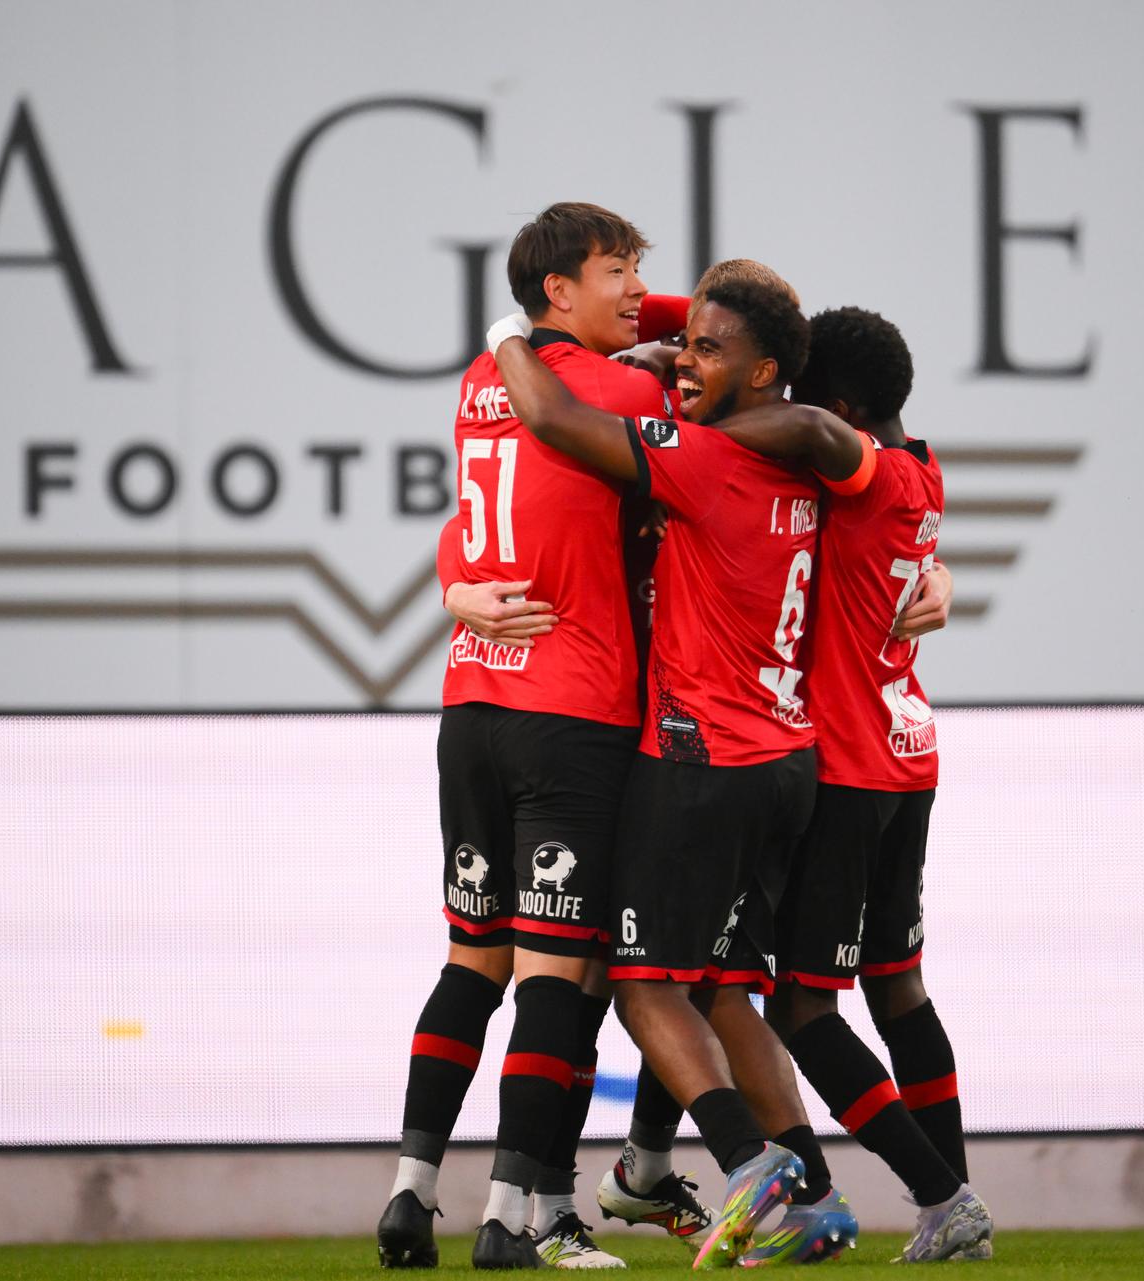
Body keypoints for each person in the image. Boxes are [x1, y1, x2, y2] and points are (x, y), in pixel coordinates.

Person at [488, 273, 874, 1267]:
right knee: (724, 992)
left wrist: (511, 336)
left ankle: (749, 1162)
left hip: (700, 759)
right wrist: (678, 345)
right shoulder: (810, 465)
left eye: (711, 350)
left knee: (642, 986)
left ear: (766, 373)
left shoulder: (701, 461)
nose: (687, 361)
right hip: (787, 763)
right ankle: (812, 1193)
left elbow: (552, 418)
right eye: (688, 342)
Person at [379, 202, 672, 1272]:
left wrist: (459, 588)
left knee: (472, 959)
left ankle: (410, 1198)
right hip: (573, 713)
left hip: (472, 708)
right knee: (560, 976)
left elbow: (467, 521)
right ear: (558, 289)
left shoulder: (478, 378)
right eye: (617, 271)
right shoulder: (627, 391)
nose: (639, 292)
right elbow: (714, 355)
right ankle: (514, 1218)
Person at [766, 306, 993, 1262]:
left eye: (801, 393)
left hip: (851, 766)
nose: (786, 409)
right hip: (908, 753)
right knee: (897, 983)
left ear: (846, 409)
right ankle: (957, 1211)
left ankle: (939, 1194)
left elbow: (811, 436)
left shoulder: (858, 466)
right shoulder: (924, 467)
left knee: (800, 1007)